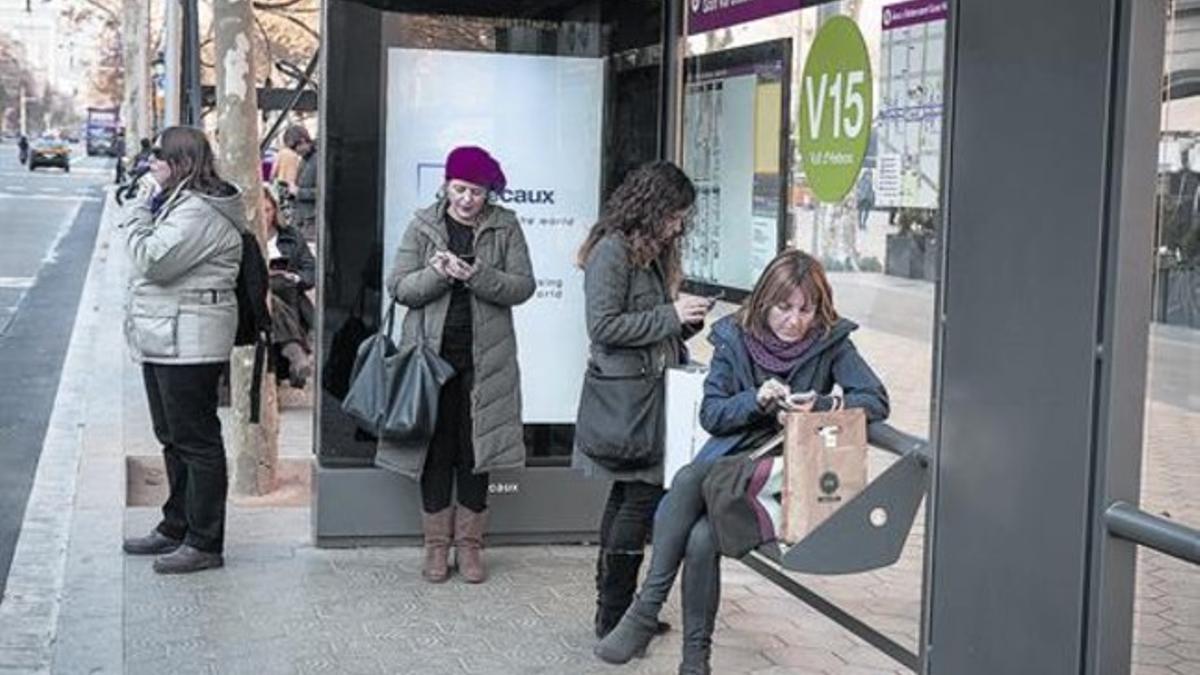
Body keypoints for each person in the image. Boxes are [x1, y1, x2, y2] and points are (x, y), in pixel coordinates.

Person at [593, 249, 890, 673]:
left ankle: (649, 617)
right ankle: (690, 658)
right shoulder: (735, 336)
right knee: (697, 517)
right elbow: (711, 413)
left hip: (783, 481)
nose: (796, 320)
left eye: (806, 309)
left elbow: (875, 400)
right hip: (729, 474)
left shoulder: (831, 341)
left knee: (693, 490)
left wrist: (822, 404)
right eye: (785, 308)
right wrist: (757, 399)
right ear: (766, 301)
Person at [573, 161, 714, 641]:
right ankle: (616, 617)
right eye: (674, 215)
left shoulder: (648, 251)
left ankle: (614, 612)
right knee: (638, 500)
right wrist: (669, 314)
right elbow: (604, 327)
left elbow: (648, 321)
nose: (678, 225)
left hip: (646, 395)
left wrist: (684, 319)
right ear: (650, 207)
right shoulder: (612, 251)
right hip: (627, 400)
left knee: (627, 497)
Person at [387, 145, 534, 584]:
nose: (467, 199)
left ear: (489, 192)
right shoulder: (423, 224)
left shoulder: (505, 226)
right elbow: (399, 287)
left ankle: (470, 548)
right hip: (429, 362)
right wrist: (439, 274)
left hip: (485, 361)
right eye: (459, 189)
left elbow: (523, 286)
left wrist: (476, 276)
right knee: (435, 452)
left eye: (476, 191)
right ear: (446, 186)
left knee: (477, 454)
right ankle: (435, 548)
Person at [118, 126, 245, 574]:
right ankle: (177, 525)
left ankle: (205, 541)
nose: (151, 164)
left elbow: (153, 259)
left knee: (197, 441)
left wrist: (137, 207)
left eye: (159, 157)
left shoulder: (199, 211)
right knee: (172, 437)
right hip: (166, 335)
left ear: (181, 162)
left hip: (191, 340)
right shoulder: (178, 201)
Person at [261, 185, 316, 387]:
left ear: (275, 210)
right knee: (269, 295)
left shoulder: (291, 236)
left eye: (267, 210)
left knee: (280, 288)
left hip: (290, 297)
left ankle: (293, 354)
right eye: (260, 210)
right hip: (257, 301)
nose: (264, 216)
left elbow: (310, 271)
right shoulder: (244, 238)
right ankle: (295, 352)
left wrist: (295, 277)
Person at [284, 125, 318, 242]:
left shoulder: (318, 158)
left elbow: (324, 191)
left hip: (312, 222)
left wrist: (299, 192)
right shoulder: (305, 159)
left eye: (294, 148)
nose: (295, 152)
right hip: (302, 219)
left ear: (303, 141)